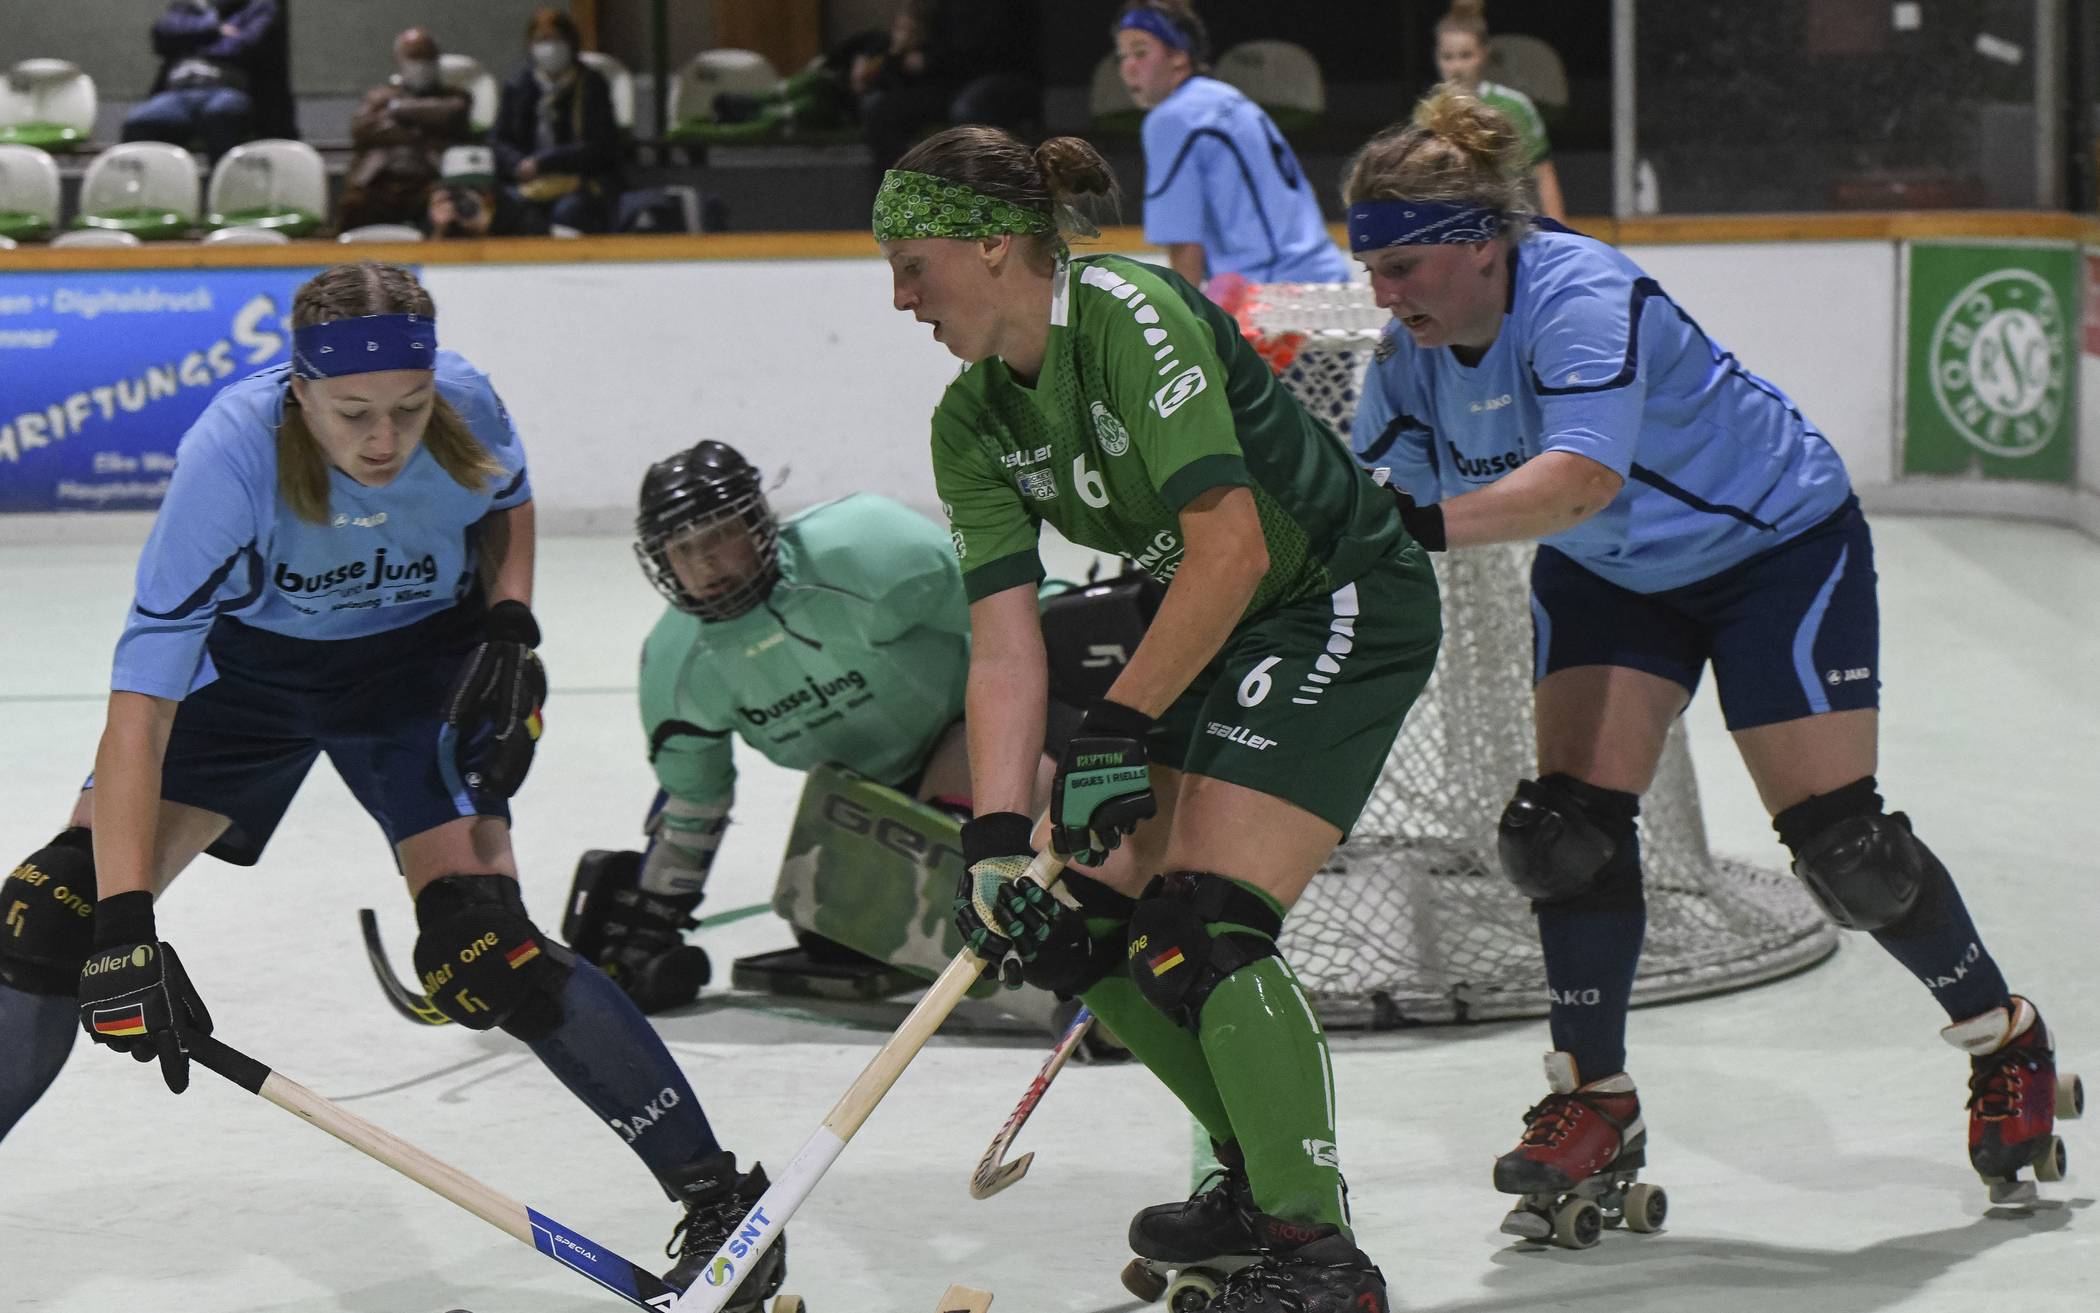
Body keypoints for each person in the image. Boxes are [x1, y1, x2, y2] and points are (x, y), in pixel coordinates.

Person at [1344, 88, 2076, 1233]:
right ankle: (1594, 1097)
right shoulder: (1408, 357)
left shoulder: (1580, 294)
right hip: (1612, 574)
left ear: (1481, 243)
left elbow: (1577, 480)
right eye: (1370, 268)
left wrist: (1414, 528)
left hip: (1774, 546)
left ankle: (2003, 1036)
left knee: (1846, 850)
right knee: (1563, 830)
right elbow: (1360, 506)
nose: (1381, 297)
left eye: (1400, 268)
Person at [0, 263, 785, 1305]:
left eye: (408, 410)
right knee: (53, 917)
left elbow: (509, 500)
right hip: (247, 683)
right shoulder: (228, 458)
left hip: (417, 676)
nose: (385, 440)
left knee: (485, 946)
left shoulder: (467, 401)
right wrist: (127, 918)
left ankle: (724, 1202)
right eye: (354, 414)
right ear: (298, 390)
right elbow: (140, 706)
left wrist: (513, 622)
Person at [877, 125, 1442, 1311]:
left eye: (910, 261)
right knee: (1070, 928)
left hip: (1334, 596)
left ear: (990, 245)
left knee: (1204, 925)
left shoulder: (1128, 311)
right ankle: (1249, 1174)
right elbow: (1004, 640)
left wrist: (1119, 722)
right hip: (1219, 623)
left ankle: (1317, 1253)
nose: (899, 297)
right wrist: (991, 836)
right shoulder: (970, 425)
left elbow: (1231, 545)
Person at [576, 440, 1151, 1013]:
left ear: (756, 523)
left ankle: (1132, 919)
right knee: (834, 929)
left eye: (720, 534)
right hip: (876, 798)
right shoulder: (677, 667)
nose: (706, 563)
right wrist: (654, 914)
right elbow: (694, 802)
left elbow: (1024, 620)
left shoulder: (868, 549)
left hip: (988, 727)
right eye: (684, 549)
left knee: (977, 833)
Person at [1113, 1, 1350, 293]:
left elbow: (1184, 242)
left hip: (1272, 296)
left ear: (1178, 56)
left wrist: (1185, 327)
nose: (1129, 68)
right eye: (1122, 56)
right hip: (1327, 278)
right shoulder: (1227, 98)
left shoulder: (1173, 118)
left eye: (1141, 52)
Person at [859, 0, 1042, 178]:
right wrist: (900, 54)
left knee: (967, 109)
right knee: (882, 110)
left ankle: (978, 191)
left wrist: (932, 60)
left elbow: (992, 48)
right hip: (949, 78)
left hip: (1000, 74)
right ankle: (897, 193)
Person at [1430, 0, 1566, 223]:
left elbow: (1542, 174)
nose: (1456, 67)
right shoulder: (1428, 112)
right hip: (1452, 229)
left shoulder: (1514, 106)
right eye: (1448, 57)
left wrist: (1562, 232)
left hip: (1510, 224)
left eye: (1466, 55)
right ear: (1437, 57)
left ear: (1484, 53)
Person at [491, 7, 623, 234]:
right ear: (530, 45)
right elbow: (498, 140)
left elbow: (600, 146)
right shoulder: (518, 85)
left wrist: (545, 162)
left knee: (569, 212)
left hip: (580, 180)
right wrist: (518, 164)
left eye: (557, 39)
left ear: (571, 42)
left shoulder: (591, 84)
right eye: (541, 40)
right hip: (528, 182)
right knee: (510, 210)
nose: (549, 48)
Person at [337, 27, 476, 233]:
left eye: (426, 59)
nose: (420, 66)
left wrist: (397, 109)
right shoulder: (379, 95)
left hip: (427, 182)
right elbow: (362, 128)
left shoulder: (455, 97)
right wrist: (421, 126)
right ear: (399, 61)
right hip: (380, 182)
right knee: (354, 204)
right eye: (414, 59)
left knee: (447, 207)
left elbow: (451, 113)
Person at [122, 0, 295, 161]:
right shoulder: (189, 5)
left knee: (219, 114)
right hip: (178, 92)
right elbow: (162, 32)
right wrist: (217, 30)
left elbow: (243, 45)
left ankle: (221, 185)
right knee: (138, 122)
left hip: (227, 90)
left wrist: (190, 40)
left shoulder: (259, 6)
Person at [426, 144, 549, 239]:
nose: (468, 198)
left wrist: (486, 229)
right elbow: (419, 266)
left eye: (479, 188)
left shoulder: (520, 213)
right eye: (458, 191)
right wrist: (440, 231)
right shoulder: (439, 210)